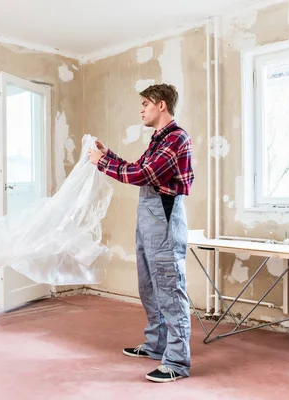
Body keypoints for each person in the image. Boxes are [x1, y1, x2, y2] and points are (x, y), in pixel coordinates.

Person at [88, 84, 194, 383]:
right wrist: (108, 155)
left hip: (164, 218)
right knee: (149, 286)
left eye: (146, 103)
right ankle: (156, 344)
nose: (141, 109)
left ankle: (176, 361)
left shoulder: (176, 138)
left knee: (169, 288)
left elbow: (144, 175)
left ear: (162, 105)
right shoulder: (158, 139)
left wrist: (103, 163)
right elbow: (136, 166)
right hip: (149, 219)